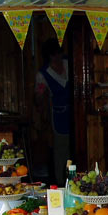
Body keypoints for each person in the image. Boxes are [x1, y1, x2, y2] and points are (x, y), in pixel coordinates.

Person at [35, 38, 71, 184]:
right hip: (59, 116)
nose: (58, 57)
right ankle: (61, 182)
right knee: (61, 151)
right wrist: (40, 95)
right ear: (49, 56)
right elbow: (38, 99)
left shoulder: (70, 63)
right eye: (54, 54)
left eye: (59, 53)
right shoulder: (43, 74)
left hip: (75, 114)